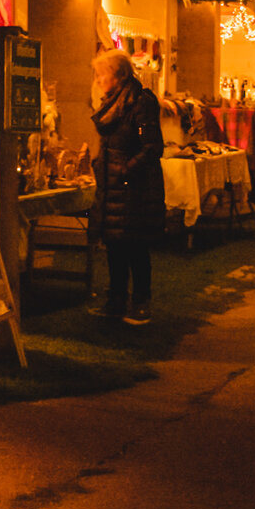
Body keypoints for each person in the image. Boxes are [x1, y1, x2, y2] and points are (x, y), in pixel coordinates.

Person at [90, 49, 165, 325]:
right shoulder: (111, 103)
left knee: (135, 247)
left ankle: (141, 301)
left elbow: (151, 146)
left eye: (102, 74)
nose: (98, 80)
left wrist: (126, 169)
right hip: (112, 186)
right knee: (115, 247)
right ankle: (116, 299)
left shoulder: (140, 104)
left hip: (134, 189)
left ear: (119, 76)